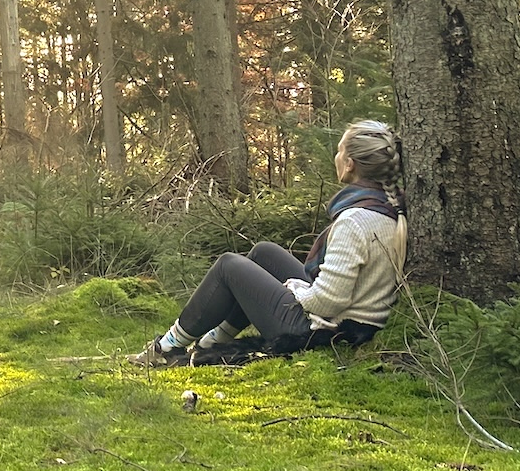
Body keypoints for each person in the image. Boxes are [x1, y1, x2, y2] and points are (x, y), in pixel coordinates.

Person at [131, 121, 407, 366]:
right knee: (264, 253)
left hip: (321, 332)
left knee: (229, 265)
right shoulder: (387, 207)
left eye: (340, 150)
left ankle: (165, 348)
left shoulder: (354, 220)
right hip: (354, 321)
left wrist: (296, 289)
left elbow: (327, 302)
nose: (336, 156)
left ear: (350, 164)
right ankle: (212, 342)